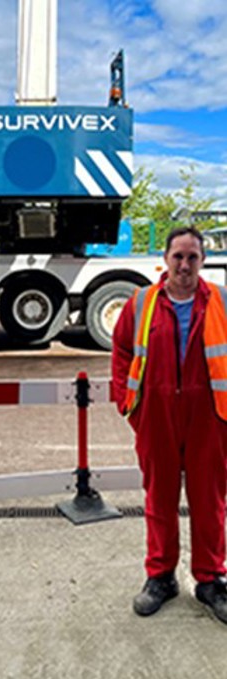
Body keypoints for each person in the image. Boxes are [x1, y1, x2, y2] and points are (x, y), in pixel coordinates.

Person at [112, 225, 227, 623]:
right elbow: (122, 351)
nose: (184, 264)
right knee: (159, 499)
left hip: (209, 418)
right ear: (165, 259)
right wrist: (129, 405)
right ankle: (160, 576)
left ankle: (210, 579)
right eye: (178, 256)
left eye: (192, 257)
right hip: (157, 416)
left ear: (203, 260)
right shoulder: (142, 302)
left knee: (209, 501)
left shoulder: (220, 302)